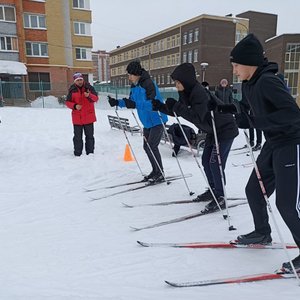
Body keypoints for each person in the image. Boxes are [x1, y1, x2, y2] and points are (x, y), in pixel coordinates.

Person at [227, 33, 300, 273]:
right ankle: (262, 232)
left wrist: (255, 121)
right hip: (273, 143)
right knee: (254, 190)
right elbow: (251, 110)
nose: (235, 70)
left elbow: (292, 114)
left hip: (291, 143)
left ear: (250, 63)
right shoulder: (250, 84)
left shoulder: (268, 81)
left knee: (288, 205)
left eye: (236, 65)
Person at [152, 63, 239, 212]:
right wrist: (161, 107)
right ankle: (213, 190)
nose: (176, 85)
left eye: (178, 82)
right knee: (206, 161)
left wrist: (177, 107)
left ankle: (220, 196)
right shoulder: (188, 92)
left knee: (215, 163)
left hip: (224, 130)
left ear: (185, 81)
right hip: (213, 131)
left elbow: (197, 118)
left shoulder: (199, 94)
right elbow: (180, 110)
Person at [108, 60, 168, 183]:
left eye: (130, 74)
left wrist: (135, 103)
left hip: (157, 119)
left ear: (136, 73)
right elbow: (131, 101)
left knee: (152, 146)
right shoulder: (134, 86)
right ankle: (155, 171)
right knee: (146, 147)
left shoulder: (148, 84)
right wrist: (117, 102)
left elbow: (152, 104)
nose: (129, 77)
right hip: (146, 121)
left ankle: (160, 172)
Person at [65, 73, 98, 156]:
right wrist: (75, 106)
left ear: (83, 80)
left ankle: (90, 153)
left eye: (81, 80)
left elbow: (96, 98)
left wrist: (89, 95)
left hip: (88, 117)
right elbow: (68, 102)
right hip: (77, 118)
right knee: (77, 138)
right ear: (75, 81)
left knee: (90, 137)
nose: (80, 81)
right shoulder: (72, 89)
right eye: (78, 80)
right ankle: (77, 153)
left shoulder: (89, 88)